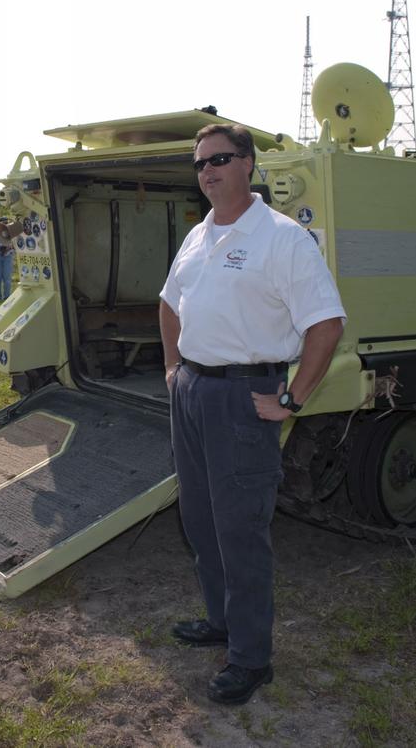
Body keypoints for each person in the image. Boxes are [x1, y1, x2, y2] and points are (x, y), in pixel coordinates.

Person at [159, 124, 346, 706]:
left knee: (240, 529)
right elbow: (169, 303)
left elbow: (326, 323)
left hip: (243, 398)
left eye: (219, 159)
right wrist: (173, 369)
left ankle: (250, 657)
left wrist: (293, 399)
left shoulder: (282, 238)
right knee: (200, 520)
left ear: (248, 164)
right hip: (192, 392)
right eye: (200, 164)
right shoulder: (198, 235)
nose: (207, 171)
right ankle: (221, 621)